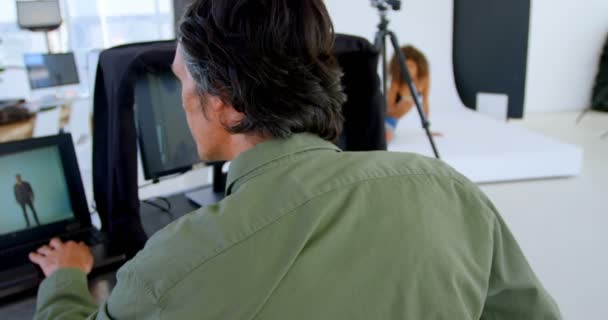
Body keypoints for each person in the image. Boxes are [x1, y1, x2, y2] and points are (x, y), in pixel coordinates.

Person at [29, 0, 561, 319]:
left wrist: (64, 279)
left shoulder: (169, 272)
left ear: (223, 102)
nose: (181, 99)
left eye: (181, 81)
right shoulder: (448, 190)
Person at [385, 45, 431, 142]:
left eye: (411, 66)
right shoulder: (396, 83)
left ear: (418, 66)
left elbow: (425, 103)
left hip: (393, 121)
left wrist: (427, 129)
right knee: (383, 139)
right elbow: (386, 110)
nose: (408, 70)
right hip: (386, 117)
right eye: (404, 67)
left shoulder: (423, 80)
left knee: (387, 137)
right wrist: (400, 108)